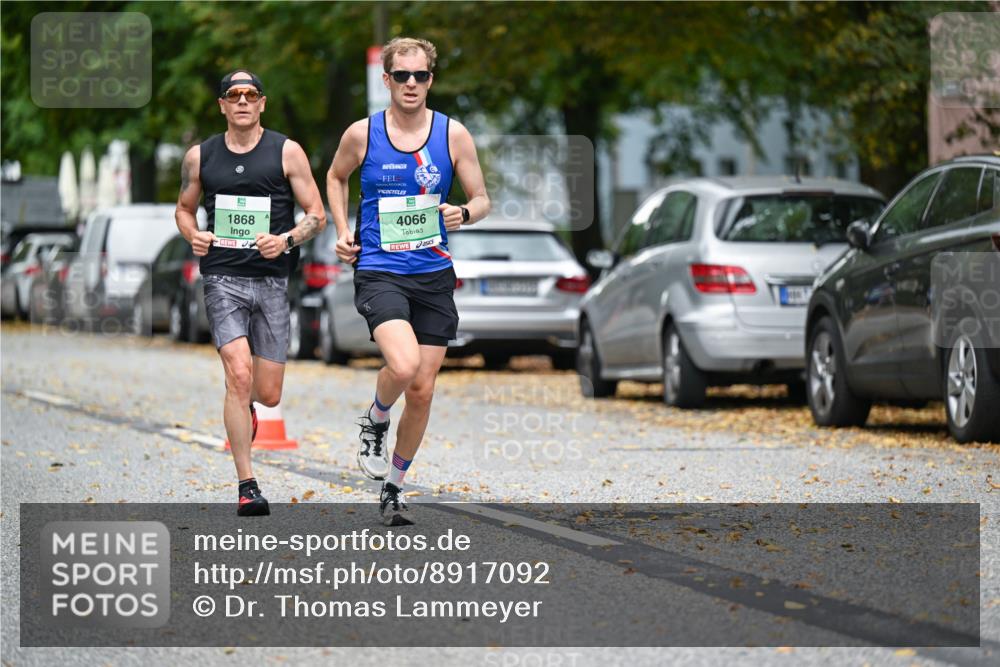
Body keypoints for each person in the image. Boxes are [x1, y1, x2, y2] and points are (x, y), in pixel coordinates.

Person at [327, 38, 490, 526]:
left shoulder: (453, 134)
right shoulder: (363, 133)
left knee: (422, 389)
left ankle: (394, 488)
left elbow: (482, 198)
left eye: (420, 76)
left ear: (431, 80)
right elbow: (335, 178)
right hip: (379, 268)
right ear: (387, 81)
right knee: (402, 364)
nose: (412, 84)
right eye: (402, 76)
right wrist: (341, 230)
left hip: (434, 273)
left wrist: (463, 211)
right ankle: (375, 420)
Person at [176, 70, 326, 516]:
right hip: (222, 277)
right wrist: (193, 235)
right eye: (233, 95)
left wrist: (286, 241)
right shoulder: (200, 156)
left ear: (262, 103)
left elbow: (316, 214)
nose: (242, 101)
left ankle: (249, 410)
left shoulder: (287, 152)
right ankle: (247, 485)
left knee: (269, 391)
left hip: (273, 280)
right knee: (238, 375)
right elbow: (184, 210)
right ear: (222, 105)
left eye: (250, 94)